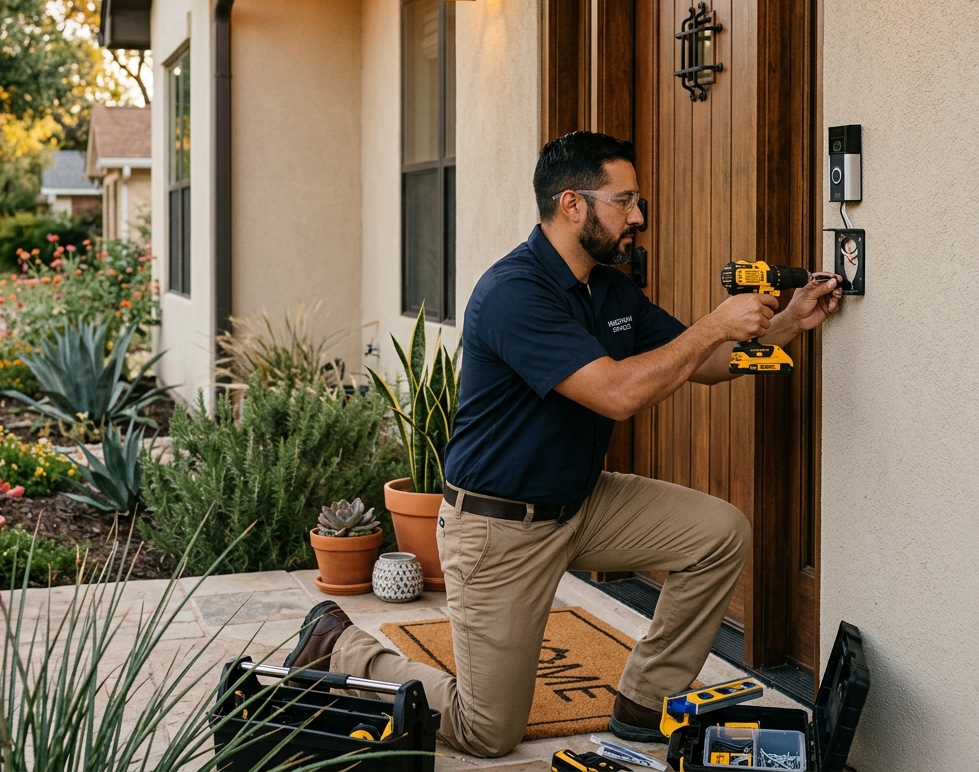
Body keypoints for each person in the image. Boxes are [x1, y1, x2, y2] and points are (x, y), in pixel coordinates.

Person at [284, 131, 842, 757]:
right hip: (499, 527)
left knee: (719, 533)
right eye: (625, 200)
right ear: (573, 204)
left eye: (638, 201)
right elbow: (617, 394)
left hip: (581, 502)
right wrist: (715, 321)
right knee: (485, 731)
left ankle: (644, 701)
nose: (637, 216)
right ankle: (339, 644)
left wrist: (790, 320)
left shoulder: (610, 288)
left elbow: (702, 362)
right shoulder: (514, 293)